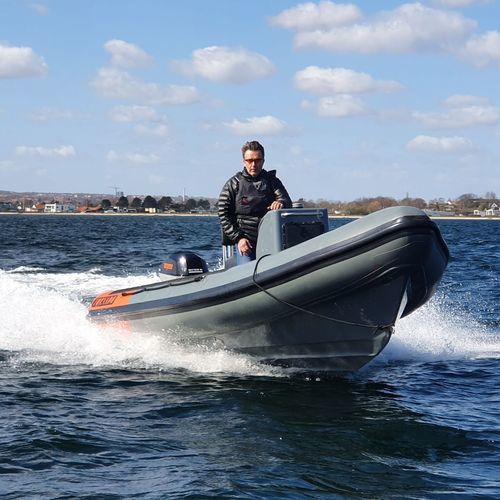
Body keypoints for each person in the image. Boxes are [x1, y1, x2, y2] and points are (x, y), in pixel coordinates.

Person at [218, 140, 292, 264]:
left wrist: (281, 203)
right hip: (246, 241)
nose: (253, 165)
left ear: (263, 161)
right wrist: (239, 238)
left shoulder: (272, 182)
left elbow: (286, 201)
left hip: (271, 239)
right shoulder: (233, 184)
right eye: (250, 161)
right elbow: (223, 214)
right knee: (248, 270)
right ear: (244, 161)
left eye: (257, 160)